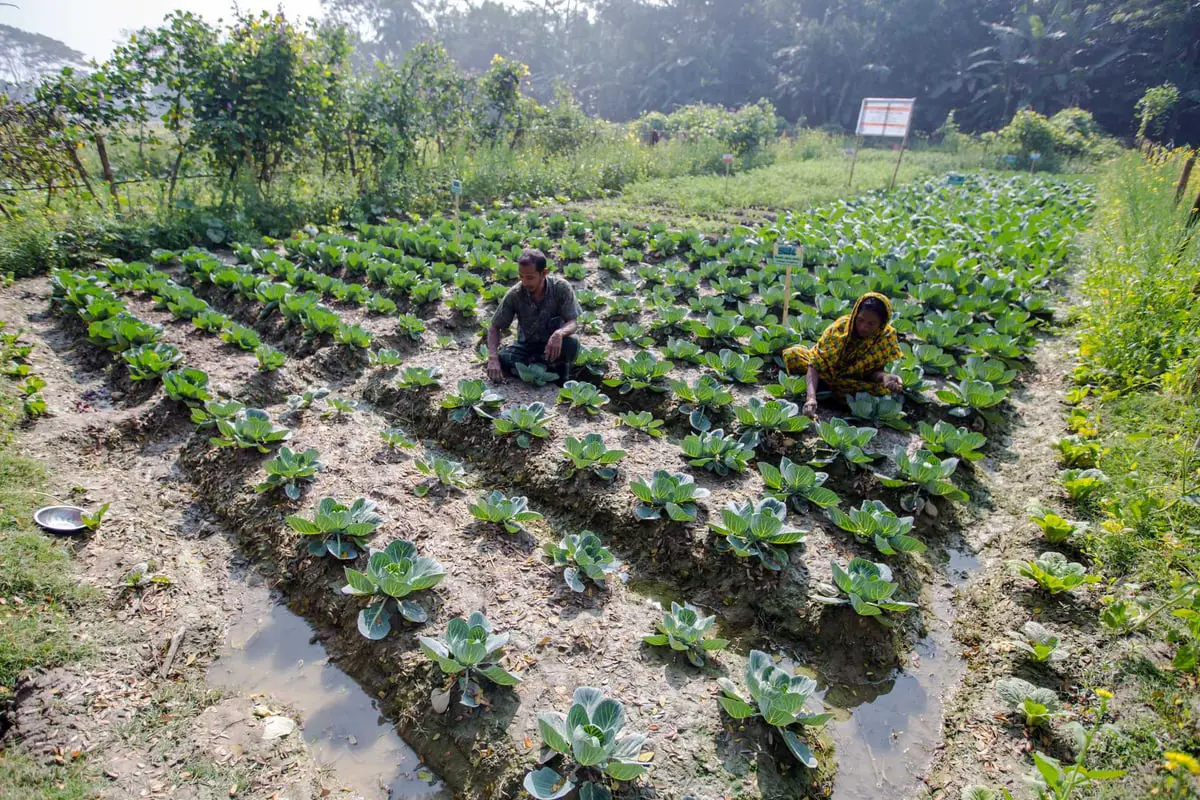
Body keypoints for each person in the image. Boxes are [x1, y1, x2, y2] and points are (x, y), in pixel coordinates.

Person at [782, 292, 904, 417]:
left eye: (871, 324)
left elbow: (871, 373)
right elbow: (815, 364)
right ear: (856, 314)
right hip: (825, 373)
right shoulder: (840, 328)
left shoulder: (885, 338)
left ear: (882, 324)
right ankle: (820, 390)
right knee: (794, 354)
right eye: (860, 320)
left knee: (877, 393)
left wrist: (884, 377)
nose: (863, 327)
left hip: (851, 383)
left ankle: (827, 392)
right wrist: (811, 398)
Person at [486, 248, 580, 383]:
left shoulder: (561, 288)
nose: (525, 282)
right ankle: (541, 370)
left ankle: (560, 377)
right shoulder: (515, 294)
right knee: (503, 358)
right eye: (521, 276)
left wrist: (559, 333)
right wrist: (493, 358)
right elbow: (494, 327)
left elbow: (573, 321)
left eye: (530, 277)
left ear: (544, 273)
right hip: (527, 348)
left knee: (572, 343)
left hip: (554, 347)